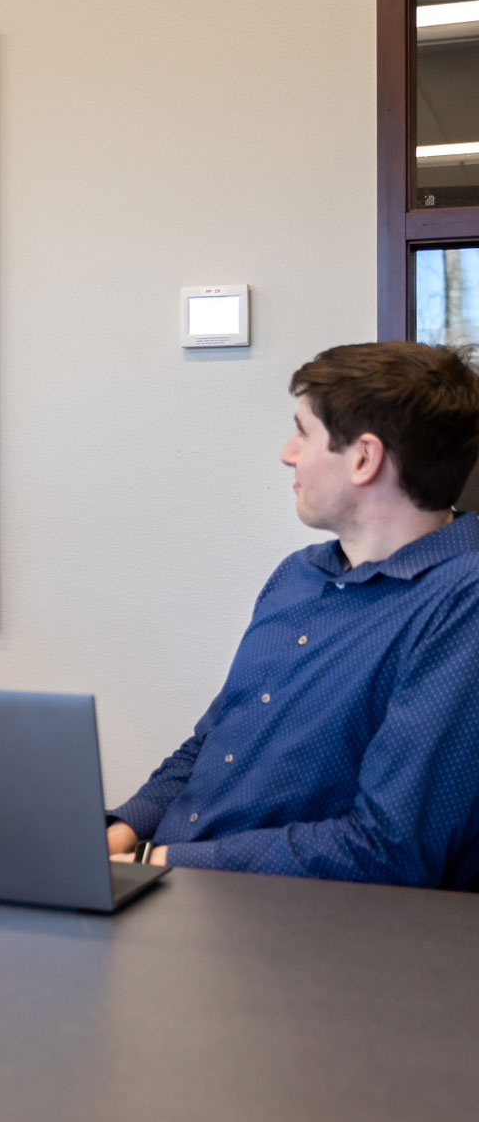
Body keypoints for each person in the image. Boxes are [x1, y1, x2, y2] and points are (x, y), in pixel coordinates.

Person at [107, 340, 479, 889]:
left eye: (304, 433)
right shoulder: (297, 576)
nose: (288, 453)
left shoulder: (460, 604)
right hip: (183, 884)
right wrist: (119, 831)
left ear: (363, 459)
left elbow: (388, 847)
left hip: (304, 924)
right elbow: (214, 741)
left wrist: (159, 863)